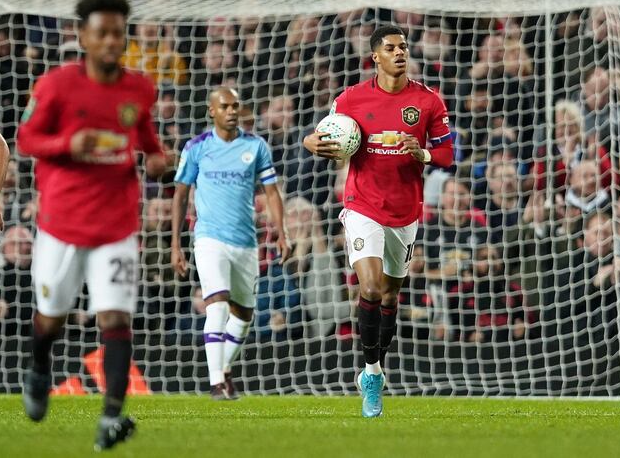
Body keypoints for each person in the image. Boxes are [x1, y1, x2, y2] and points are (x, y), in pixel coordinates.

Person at [16, 0, 167, 451]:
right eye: (101, 32)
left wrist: (157, 156)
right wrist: (69, 141)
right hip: (61, 223)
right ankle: (39, 367)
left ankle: (110, 418)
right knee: (50, 318)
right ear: (82, 36)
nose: (110, 41)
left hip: (117, 224)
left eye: (117, 33)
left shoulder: (140, 88)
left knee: (117, 318)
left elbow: (145, 136)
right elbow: (26, 138)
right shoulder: (56, 86)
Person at [303, 25, 453, 417]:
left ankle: (376, 365)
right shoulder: (351, 99)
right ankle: (371, 375)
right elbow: (320, 135)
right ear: (376, 56)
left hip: (405, 211)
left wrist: (420, 153)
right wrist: (311, 143)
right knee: (368, 287)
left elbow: (447, 156)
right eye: (391, 48)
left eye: (403, 47)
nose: (400, 52)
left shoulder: (428, 101)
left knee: (389, 296)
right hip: (361, 205)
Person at [171, 86, 290, 401]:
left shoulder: (256, 146)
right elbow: (181, 194)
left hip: (246, 243)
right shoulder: (196, 147)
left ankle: (222, 369)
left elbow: (272, 192)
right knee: (218, 303)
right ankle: (216, 383)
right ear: (212, 110)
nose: (232, 111)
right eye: (225, 106)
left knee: (243, 316)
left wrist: (282, 231)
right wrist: (175, 245)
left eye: (236, 105)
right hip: (209, 238)